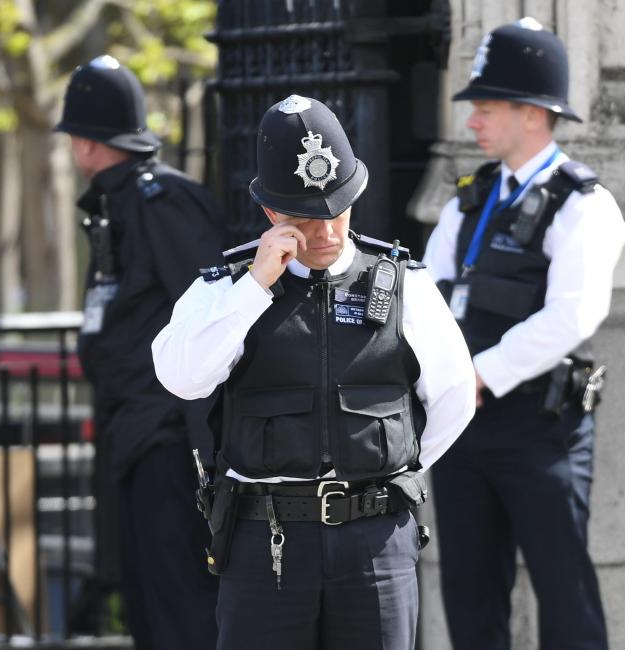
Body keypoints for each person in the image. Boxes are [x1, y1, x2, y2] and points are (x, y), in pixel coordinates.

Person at [152, 94, 476, 650]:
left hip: (377, 540)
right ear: (271, 212)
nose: (326, 230)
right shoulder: (225, 288)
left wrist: (386, 473)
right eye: (305, 216)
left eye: (338, 210)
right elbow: (181, 377)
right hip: (264, 542)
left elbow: (454, 399)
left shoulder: (405, 283)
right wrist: (253, 288)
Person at [422, 18, 625, 650]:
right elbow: (427, 294)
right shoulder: (468, 197)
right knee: (468, 589)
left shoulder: (583, 204)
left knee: (563, 591)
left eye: (485, 107)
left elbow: (573, 316)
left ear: (533, 113)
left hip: (542, 431)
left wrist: (480, 374)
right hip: (463, 424)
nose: (472, 122)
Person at [55, 55, 224, 649]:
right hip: (131, 430)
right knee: (145, 599)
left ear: (85, 143)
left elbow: (214, 314)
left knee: (178, 599)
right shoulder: (118, 203)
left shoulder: (161, 201)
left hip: (167, 435)